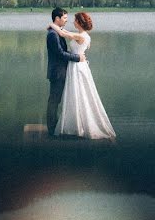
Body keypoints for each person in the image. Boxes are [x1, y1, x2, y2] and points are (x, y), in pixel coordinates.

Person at [48, 11, 116, 140]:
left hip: (77, 66)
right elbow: (66, 33)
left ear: (79, 22)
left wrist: (52, 25)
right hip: (78, 65)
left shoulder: (81, 36)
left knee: (80, 93)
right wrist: (56, 27)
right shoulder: (83, 35)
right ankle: (76, 123)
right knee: (77, 93)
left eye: (75, 20)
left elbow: (63, 33)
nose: (72, 22)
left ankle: (80, 125)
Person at [45, 7, 84, 135]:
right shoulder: (52, 35)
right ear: (57, 18)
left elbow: (63, 47)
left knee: (56, 100)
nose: (66, 21)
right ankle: (52, 129)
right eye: (65, 18)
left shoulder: (56, 31)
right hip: (57, 72)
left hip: (61, 71)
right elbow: (60, 53)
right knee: (54, 101)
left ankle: (56, 127)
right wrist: (77, 58)